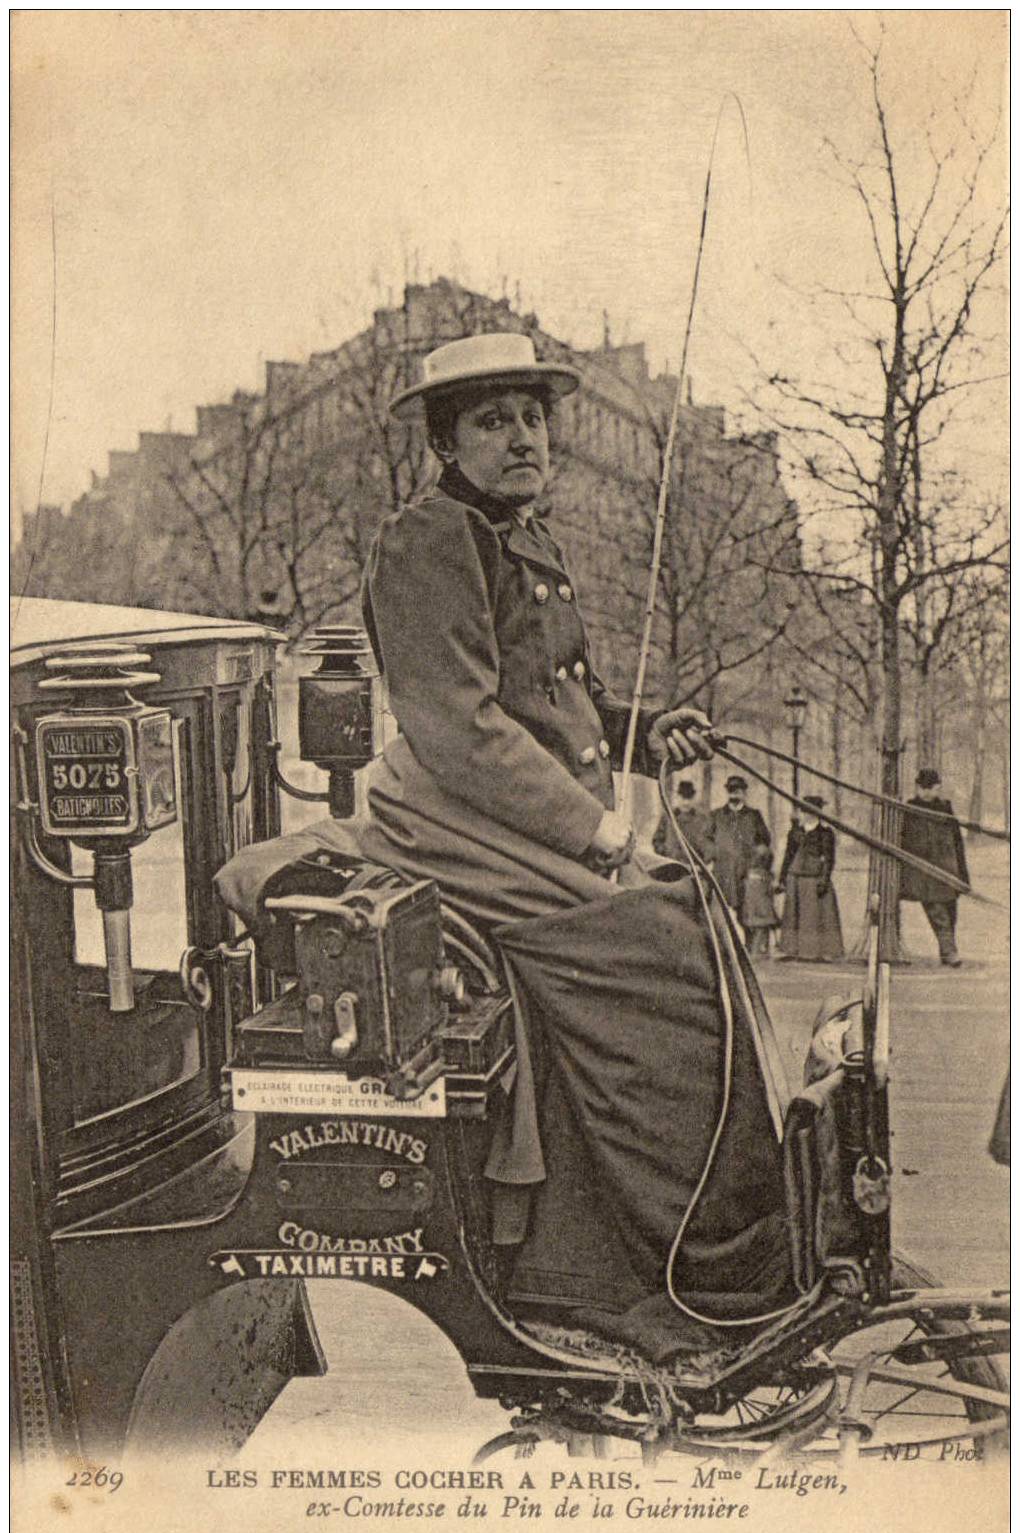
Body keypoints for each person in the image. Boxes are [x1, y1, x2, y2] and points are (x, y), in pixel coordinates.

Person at [216, 333, 795, 1360]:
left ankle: (686, 1246)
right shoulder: (428, 541)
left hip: (510, 810)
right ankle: (665, 1265)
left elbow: (554, 705)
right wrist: (604, 830)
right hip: (452, 819)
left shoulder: (524, 535)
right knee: (664, 958)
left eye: (532, 416)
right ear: (446, 440)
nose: (522, 436)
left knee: (693, 919)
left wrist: (642, 729)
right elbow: (461, 731)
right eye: (493, 421)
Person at [898, 767, 969, 966]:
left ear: (939, 787)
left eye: (932, 788)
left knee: (950, 913)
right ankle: (950, 953)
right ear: (917, 788)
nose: (927, 792)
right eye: (923, 788)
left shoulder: (946, 809)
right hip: (924, 872)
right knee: (938, 913)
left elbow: (957, 843)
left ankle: (946, 952)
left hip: (948, 870)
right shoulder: (909, 809)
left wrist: (962, 875)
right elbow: (902, 840)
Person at [777, 796, 844, 961]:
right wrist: (782, 877)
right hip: (795, 876)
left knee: (814, 916)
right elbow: (788, 855)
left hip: (814, 878)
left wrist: (824, 879)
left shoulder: (826, 834)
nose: (808, 815)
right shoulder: (795, 832)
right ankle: (792, 950)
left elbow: (829, 858)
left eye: (812, 811)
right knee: (794, 915)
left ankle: (814, 952)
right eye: (806, 811)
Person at [708, 775, 771, 918]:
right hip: (723, 872)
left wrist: (756, 862)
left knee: (747, 913)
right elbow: (706, 840)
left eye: (738, 791)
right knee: (721, 913)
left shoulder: (754, 816)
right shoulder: (716, 815)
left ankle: (746, 941)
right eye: (731, 791)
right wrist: (714, 855)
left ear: (744, 793)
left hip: (746, 871)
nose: (734, 795)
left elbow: (764, 841)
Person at [652, 776, 714, 863]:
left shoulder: (702, 819)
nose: (686, 802)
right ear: (677, 797)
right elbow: (657, 840)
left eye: (689, 798)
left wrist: (704, 861)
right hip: (671, 866)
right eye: (683, 797)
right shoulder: (668, 817)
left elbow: (709, 845)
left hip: (694, 868)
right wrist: (666, 853)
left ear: (694, 798)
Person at [741, 842, 779, 956]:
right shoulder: (767, 876)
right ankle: (759, 952)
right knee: (762, 930)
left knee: (756, 930)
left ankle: (758, 951)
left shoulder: (749, 874)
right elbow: (770, 891)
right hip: (763, 907)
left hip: (751, 908)